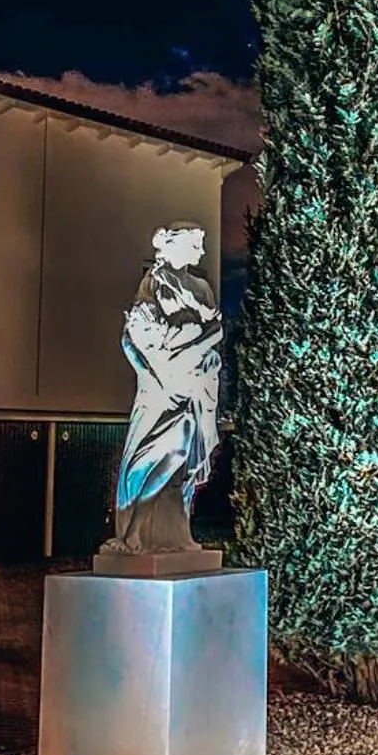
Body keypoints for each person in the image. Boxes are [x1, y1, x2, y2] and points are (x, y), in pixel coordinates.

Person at [105, 223, 223, 554]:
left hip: (194, 384)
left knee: (184, 462)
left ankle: (175, 531)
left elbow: (216, 332)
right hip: (160, 387)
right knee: (158, 453)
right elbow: (135, 337)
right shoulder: (154, 283)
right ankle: (134, 532)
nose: (201, 253)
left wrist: (194, 348)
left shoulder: (201, 287)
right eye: (195, 245)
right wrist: (156, 369)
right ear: (175, 246)